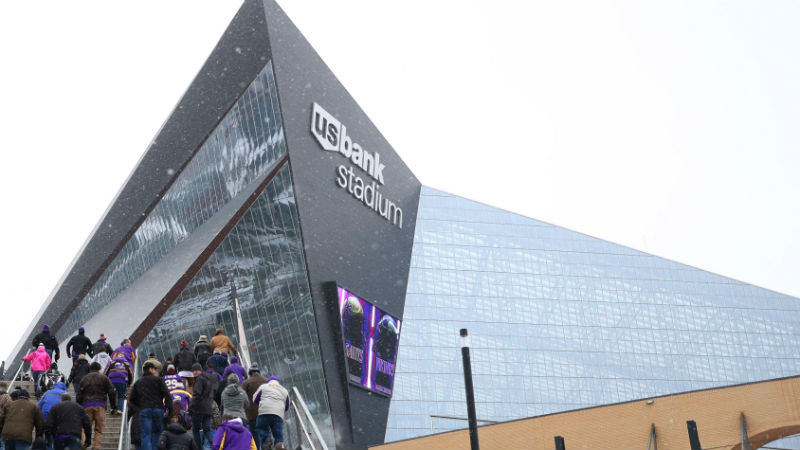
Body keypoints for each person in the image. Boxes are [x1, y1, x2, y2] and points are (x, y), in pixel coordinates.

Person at [129, 362, 171, 450]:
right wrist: (170, 410)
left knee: (146, 434)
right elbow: (167, 395)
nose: (155, 371)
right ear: (150, 369)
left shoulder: (138, 382)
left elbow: (132, 399)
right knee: (157, 432)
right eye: (154, 369)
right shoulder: (159, 380)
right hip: (158, 409)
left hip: (144, 410)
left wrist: (139, 407)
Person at [76, 362, 116, 450]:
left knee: (85, 427)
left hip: (86, 405)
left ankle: (83, 445)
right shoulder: (104, 378)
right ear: (99, 369)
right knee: (99, 429)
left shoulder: (85, 379)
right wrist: (113, 406)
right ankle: (96, 447)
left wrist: (79, 407)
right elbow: (112, 391)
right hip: (100, 405)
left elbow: (79, 395)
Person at [253, 376, 290, 450]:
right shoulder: (284, 390)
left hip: (264, 411)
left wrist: (261, 405)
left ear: (268, 381)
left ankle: (267, 439)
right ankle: (280, 448)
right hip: (278, 414)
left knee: (261, 428)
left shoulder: (264, 386)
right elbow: (287, 406)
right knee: (278, 435)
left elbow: (255, 399)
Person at [188, 363, 215, 449]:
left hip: (199, 409)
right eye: (194, 370)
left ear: (200, 370)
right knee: (207, 430)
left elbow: (197, 395)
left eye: (196, 370)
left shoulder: (199, 379)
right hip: (208, 409)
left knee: (195, 430)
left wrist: (191, 407)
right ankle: (216, 446)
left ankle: (198, 448)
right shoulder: (208, 379)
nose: (195, 372)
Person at [241, 363, 266, 440]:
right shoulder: (266, 380)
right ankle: (267, 445)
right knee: (265, 432)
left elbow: (242, 396)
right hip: (265, 411)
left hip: (252, 414)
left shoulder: (246, 383)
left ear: (250, 373)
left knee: (254, 434)